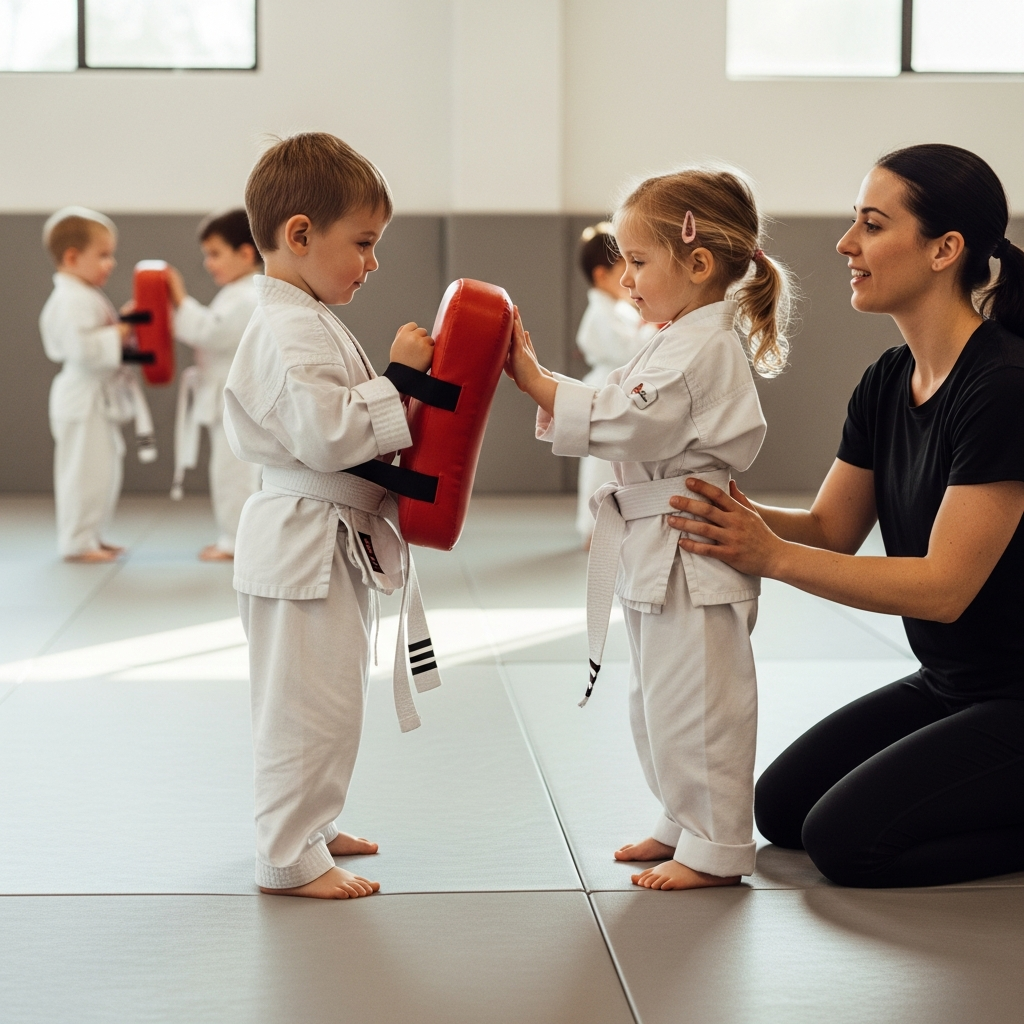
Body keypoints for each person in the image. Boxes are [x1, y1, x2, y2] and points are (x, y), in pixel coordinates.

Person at [666, 144, 1024, 888]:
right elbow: (832, 529)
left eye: (871, 224)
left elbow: (943, 588)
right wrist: (727, 512)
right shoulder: (889, 379)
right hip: (954, 680)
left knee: (847, 842)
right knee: (782, 808)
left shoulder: (1004, 386)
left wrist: (767, 555)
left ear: (944, 250)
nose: (845, 245)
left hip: (1016, 694)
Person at [506, 168, 795, 890]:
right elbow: (615, 398)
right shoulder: (674, 338)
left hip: (692, 545)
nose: (626, 278)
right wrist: (547, 383)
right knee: (659, 698)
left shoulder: (702, 346)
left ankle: (716, 844)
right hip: (658, 538)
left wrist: (537, 379)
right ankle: (680, 817)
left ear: (698, 263)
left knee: (700, 701)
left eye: (638, 261)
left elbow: (630, 418)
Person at [224, 133, 443, 899]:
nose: (372, 263)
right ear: (299, 234)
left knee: (328, 699)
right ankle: (287, 853)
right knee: (302, 708)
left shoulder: (305, 316)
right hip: (302, 544)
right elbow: (327, 436)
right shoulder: (288, 329)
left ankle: (312, 822)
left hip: (321, 545)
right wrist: (400, 377)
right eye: (364, 243)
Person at [39, 207, 158, 563]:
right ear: (72, 257)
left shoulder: (83, 293)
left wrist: (123, 328)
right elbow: (83, 348)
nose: (111, 263)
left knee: (102, 472)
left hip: (96, 399)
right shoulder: (70, 299)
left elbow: (101, 340)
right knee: (82, 472)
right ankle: (76, 542)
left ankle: (91, 534)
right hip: (83, 397)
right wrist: (122, 329)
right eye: (103, 255)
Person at [165, 209, 263, 561]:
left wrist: (179, 299)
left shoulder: (248, 296)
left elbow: (210, 331)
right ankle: (233, 537)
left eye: (215, 254)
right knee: (228, 471)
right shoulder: (236, 292)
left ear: (246, 253)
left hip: (237, 399)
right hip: (225, 395)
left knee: (233, 473)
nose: (208, 263)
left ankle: (236, 542)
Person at [574, 222, 656, 546]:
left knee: (618, 467)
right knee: (600, 468)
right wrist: (654, 328)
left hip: (621, 392)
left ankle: (612, 523)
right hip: (604, 390)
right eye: (625, 267)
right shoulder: (600, 313)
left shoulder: (616, 309)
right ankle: (593, 528)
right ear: (601, 276)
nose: (630, 279)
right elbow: (630, 350)